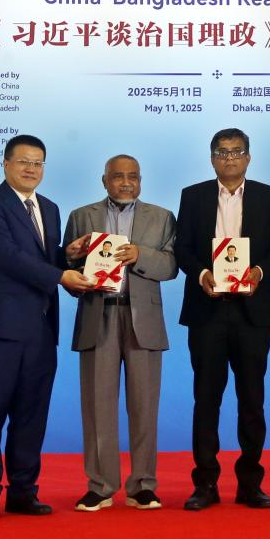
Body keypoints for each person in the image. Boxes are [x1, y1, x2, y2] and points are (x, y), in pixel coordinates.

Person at [0, 134, 93, 519]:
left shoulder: (49, 208)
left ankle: (23, 490)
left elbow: (38, 257)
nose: (31, 169)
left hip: (39, 328)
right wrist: (62, 275)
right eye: (23, 162)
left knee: (32, 414)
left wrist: (65, 256)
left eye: (38, 163)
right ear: (5, 164)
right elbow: (7, 257)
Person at [175, 128, 270, 510]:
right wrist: (202, 275)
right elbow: (183, 250)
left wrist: (258, 272)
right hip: (207, 308)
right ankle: (204, 484)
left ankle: (250, 484)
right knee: (205, 399)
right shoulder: (192, 197)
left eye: (237, 151)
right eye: (222, 152)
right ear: (212, 159)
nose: (229, 158)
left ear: (248, 157)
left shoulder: (269, 197)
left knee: (252, 400)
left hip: (253, 311)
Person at [62, 155, 177, 512]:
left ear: (140, 180)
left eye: (132, 177)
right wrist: (71, 258)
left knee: (145, 406)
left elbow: (172, 266)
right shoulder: (82, 216)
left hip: (143, 318)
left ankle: (143, 484)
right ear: (104, 180)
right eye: (117, 177)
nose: (125, 183)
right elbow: (66, 267)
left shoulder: (161, 217)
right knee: (97, 406)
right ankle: (100, 485)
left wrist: (140, 254)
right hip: (99, 315)